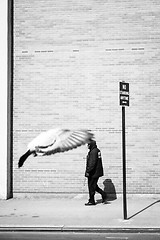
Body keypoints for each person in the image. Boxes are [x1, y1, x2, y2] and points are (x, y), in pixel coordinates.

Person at [85, 140, 107, 206]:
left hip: (93, 173)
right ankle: (103, 194)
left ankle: (92, 201)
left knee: (91, 186)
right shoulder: (96, 150)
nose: (87, 146)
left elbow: (92, 163)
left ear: (91, 145)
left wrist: (88, 171)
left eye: (88, 145)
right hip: (96, 172)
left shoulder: (93, 152)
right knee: (94, 185)